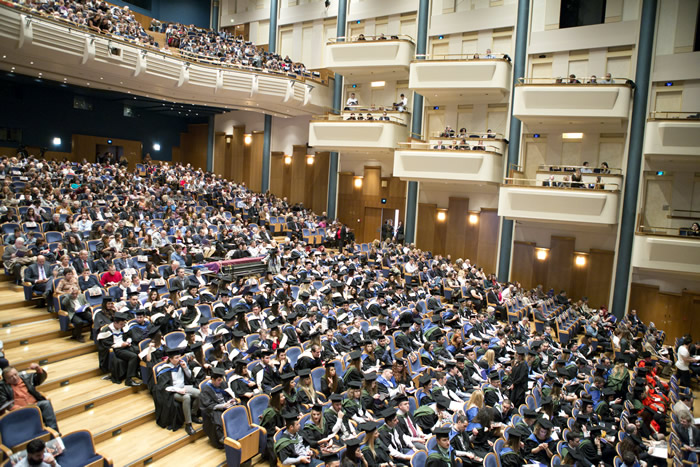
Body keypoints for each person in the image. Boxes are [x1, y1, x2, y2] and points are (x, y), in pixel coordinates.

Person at [154, 347, 202, 435]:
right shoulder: (165, 369)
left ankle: (193, 414)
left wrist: (185, 368)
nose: (179, 359)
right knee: (186, 397)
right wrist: (178, 390)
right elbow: (164, 387)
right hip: (173, 392)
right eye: (176, 358)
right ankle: (188, 425)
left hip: (184, 387)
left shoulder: (181, 365)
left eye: (179, 357)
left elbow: (190, 377)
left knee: (199, 393)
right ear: (170, 359)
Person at [200, 367, 236, 448]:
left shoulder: (222, 384)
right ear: (213, 379)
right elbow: (208, 405)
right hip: (214, 409)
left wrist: (231, 400)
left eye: (221, 379)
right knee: (217, 415)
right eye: (219, 380)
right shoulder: (206, 389)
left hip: (225, 405)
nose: (221, 382)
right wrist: (222, 406)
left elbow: (227, 395)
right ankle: (221, 437)